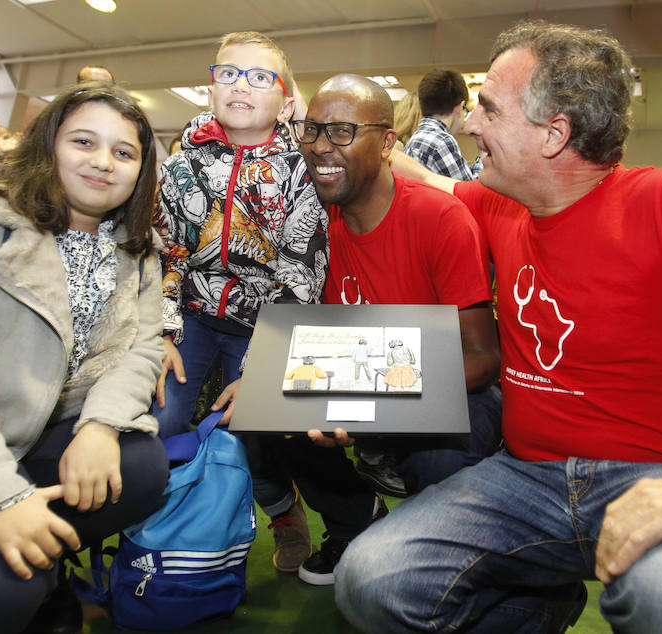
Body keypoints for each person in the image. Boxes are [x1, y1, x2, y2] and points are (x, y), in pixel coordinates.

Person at [335, 19, 662, 633]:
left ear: (553, 134)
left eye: (489, 109)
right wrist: (328, 127)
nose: (471, 124)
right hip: (525, 479)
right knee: (370, 578)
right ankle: (539, 611)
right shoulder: (501, 206)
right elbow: (423, 176)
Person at [214, 74, 502, 586]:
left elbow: (482, 356)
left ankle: (436, 558)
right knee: (259, 410)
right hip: (357, 379)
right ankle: (354, 520)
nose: (321, 146)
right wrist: (262, 378)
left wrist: (377, 408)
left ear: (388, 143)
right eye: (312, 130)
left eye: (343, 131)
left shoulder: (440, 218)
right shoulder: (309, 221)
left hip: (437, 386)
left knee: (443, 454)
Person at [0, 82, 169, 634]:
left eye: (124, 152)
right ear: (48, 145)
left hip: (41, 440)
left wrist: (101, 426)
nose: (103, 162)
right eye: (83, 142)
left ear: (140, 171)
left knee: (143, 467)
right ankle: (23, 576)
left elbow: (144, 347)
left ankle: (45, 569)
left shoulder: (138, 249)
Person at [154, 31, 328, 574]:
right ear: (211, 88)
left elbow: (302, 272)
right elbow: (164, 252)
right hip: (193, 316)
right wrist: (163, 331)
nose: (240, 86)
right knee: (162, 418)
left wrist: (260, 367)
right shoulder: (182, 165)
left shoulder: (301, 171)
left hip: (263, 326)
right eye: (228, 73)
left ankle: (283, 513)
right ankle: (170, 520)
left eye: (259, 77)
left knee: (253, 432)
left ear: (285, 102)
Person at [403, 68, 478, 180]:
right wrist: (483, 156)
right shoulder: (442, 141)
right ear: (460, 107)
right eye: (465, 111)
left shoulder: (415, 139)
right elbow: (467, 188)